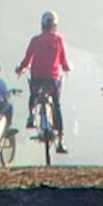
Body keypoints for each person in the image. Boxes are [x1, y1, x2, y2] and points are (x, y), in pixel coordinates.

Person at [16, 10, 72, 154]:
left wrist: (21, 69)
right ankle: (60, 140)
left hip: (37, 78)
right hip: (52, 79)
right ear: (55, 25)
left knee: (33, 93)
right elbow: (63, 61)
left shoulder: (35, 40)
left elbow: (27, 59)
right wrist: (66, 68)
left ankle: (32, 115)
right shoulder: (58, 40)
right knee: (56, 105)